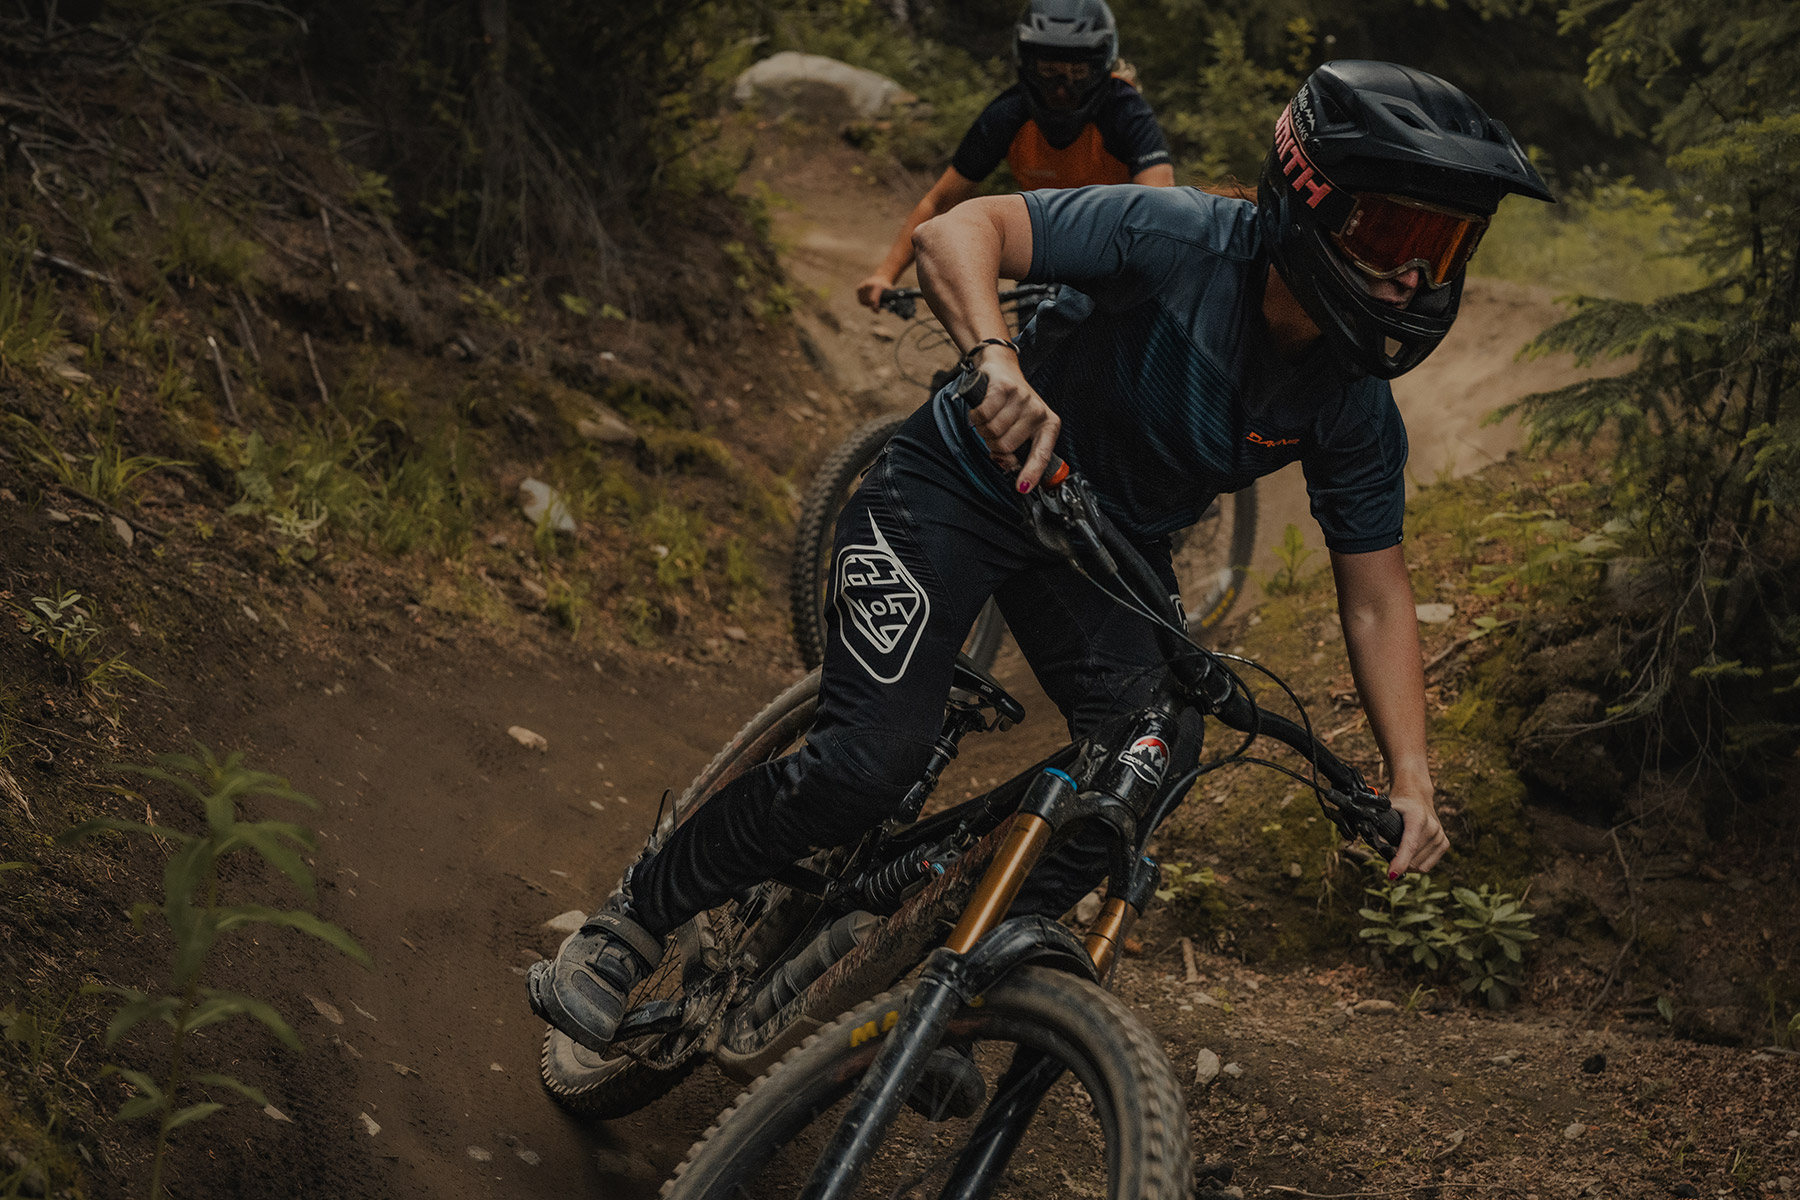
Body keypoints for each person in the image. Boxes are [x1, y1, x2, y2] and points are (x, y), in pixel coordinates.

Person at [529, 60, 1554, 1052]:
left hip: (1102, 553)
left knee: (1150, 758)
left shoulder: (1354, 407)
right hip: (959, 486)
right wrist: (994, 361)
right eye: (1396, 235)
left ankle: (945, 979)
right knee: (866, 763)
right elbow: (956, 230)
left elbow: (1376, 595)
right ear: (1307, 199)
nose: (1418, 276)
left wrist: (1411, 779)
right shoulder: (1175, 235)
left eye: (1447, 247)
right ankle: (631, 924)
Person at [855, 0, 1174, 312]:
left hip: (1113, 261)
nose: (1062, 88)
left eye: (1078, 72)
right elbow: (940, 201)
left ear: (1100, 66)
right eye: (1048, 71)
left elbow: (1161, 202)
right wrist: (885, 274)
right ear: (1027, 63)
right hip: (1044, 260)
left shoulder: (1124, 111)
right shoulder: (1008, 114)